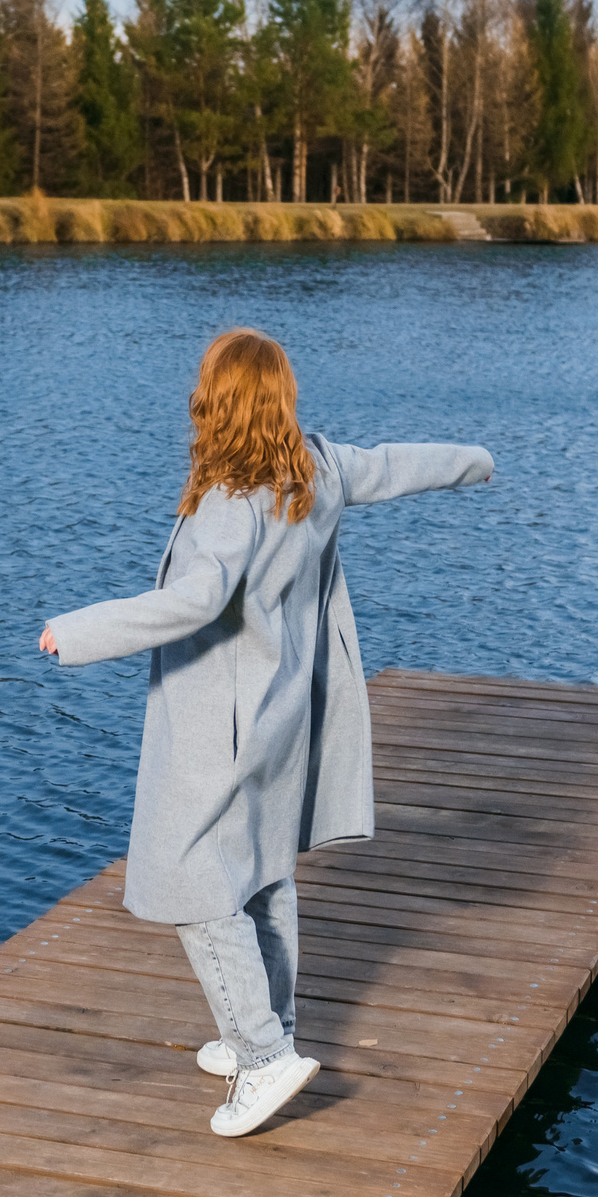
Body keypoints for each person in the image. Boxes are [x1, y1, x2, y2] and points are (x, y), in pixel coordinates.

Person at [40, 328, 494, 1138]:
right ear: (280, 397)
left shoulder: (230, 502)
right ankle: (266, 1028)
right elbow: (396, 464)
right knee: (261, 870)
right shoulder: (314, 467)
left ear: (214, 401)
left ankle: (263, 1057)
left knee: (193, 882)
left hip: (221, 726)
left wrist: (78, 631)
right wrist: (475, 458)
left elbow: (192, 602)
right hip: (286, 715)